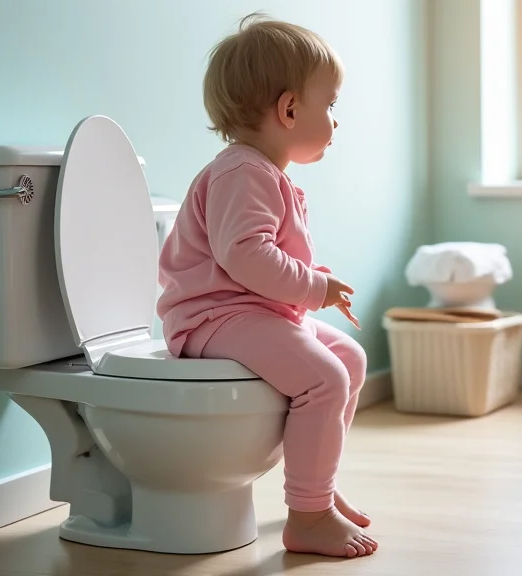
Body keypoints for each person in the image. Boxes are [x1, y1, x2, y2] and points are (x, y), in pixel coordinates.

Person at [155, 13, 377, 558]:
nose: (336, 120)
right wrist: (314, 288)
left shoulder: (261, 173)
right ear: (290, 109)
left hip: (247, 313)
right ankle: (309, 515)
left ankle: (315, 480)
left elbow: (261, 255)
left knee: (349, 359)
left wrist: (314, 283)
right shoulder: (243, 172)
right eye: (331, 105)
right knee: (325, 378)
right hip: (212, 318)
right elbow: (246, 256)